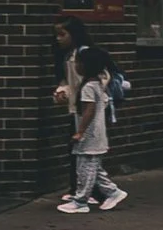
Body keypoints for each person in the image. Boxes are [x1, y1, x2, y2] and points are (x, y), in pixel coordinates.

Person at [54, 40, 126, 214]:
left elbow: (89, 111)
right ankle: (113, 192)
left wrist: (80, 132)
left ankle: (81, 200)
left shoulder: (88, 87)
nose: (76, 65)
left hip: (90, 135)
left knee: (85, 168)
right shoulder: (98, 85)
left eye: (78, 62)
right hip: (95, 135)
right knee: (94, 169)